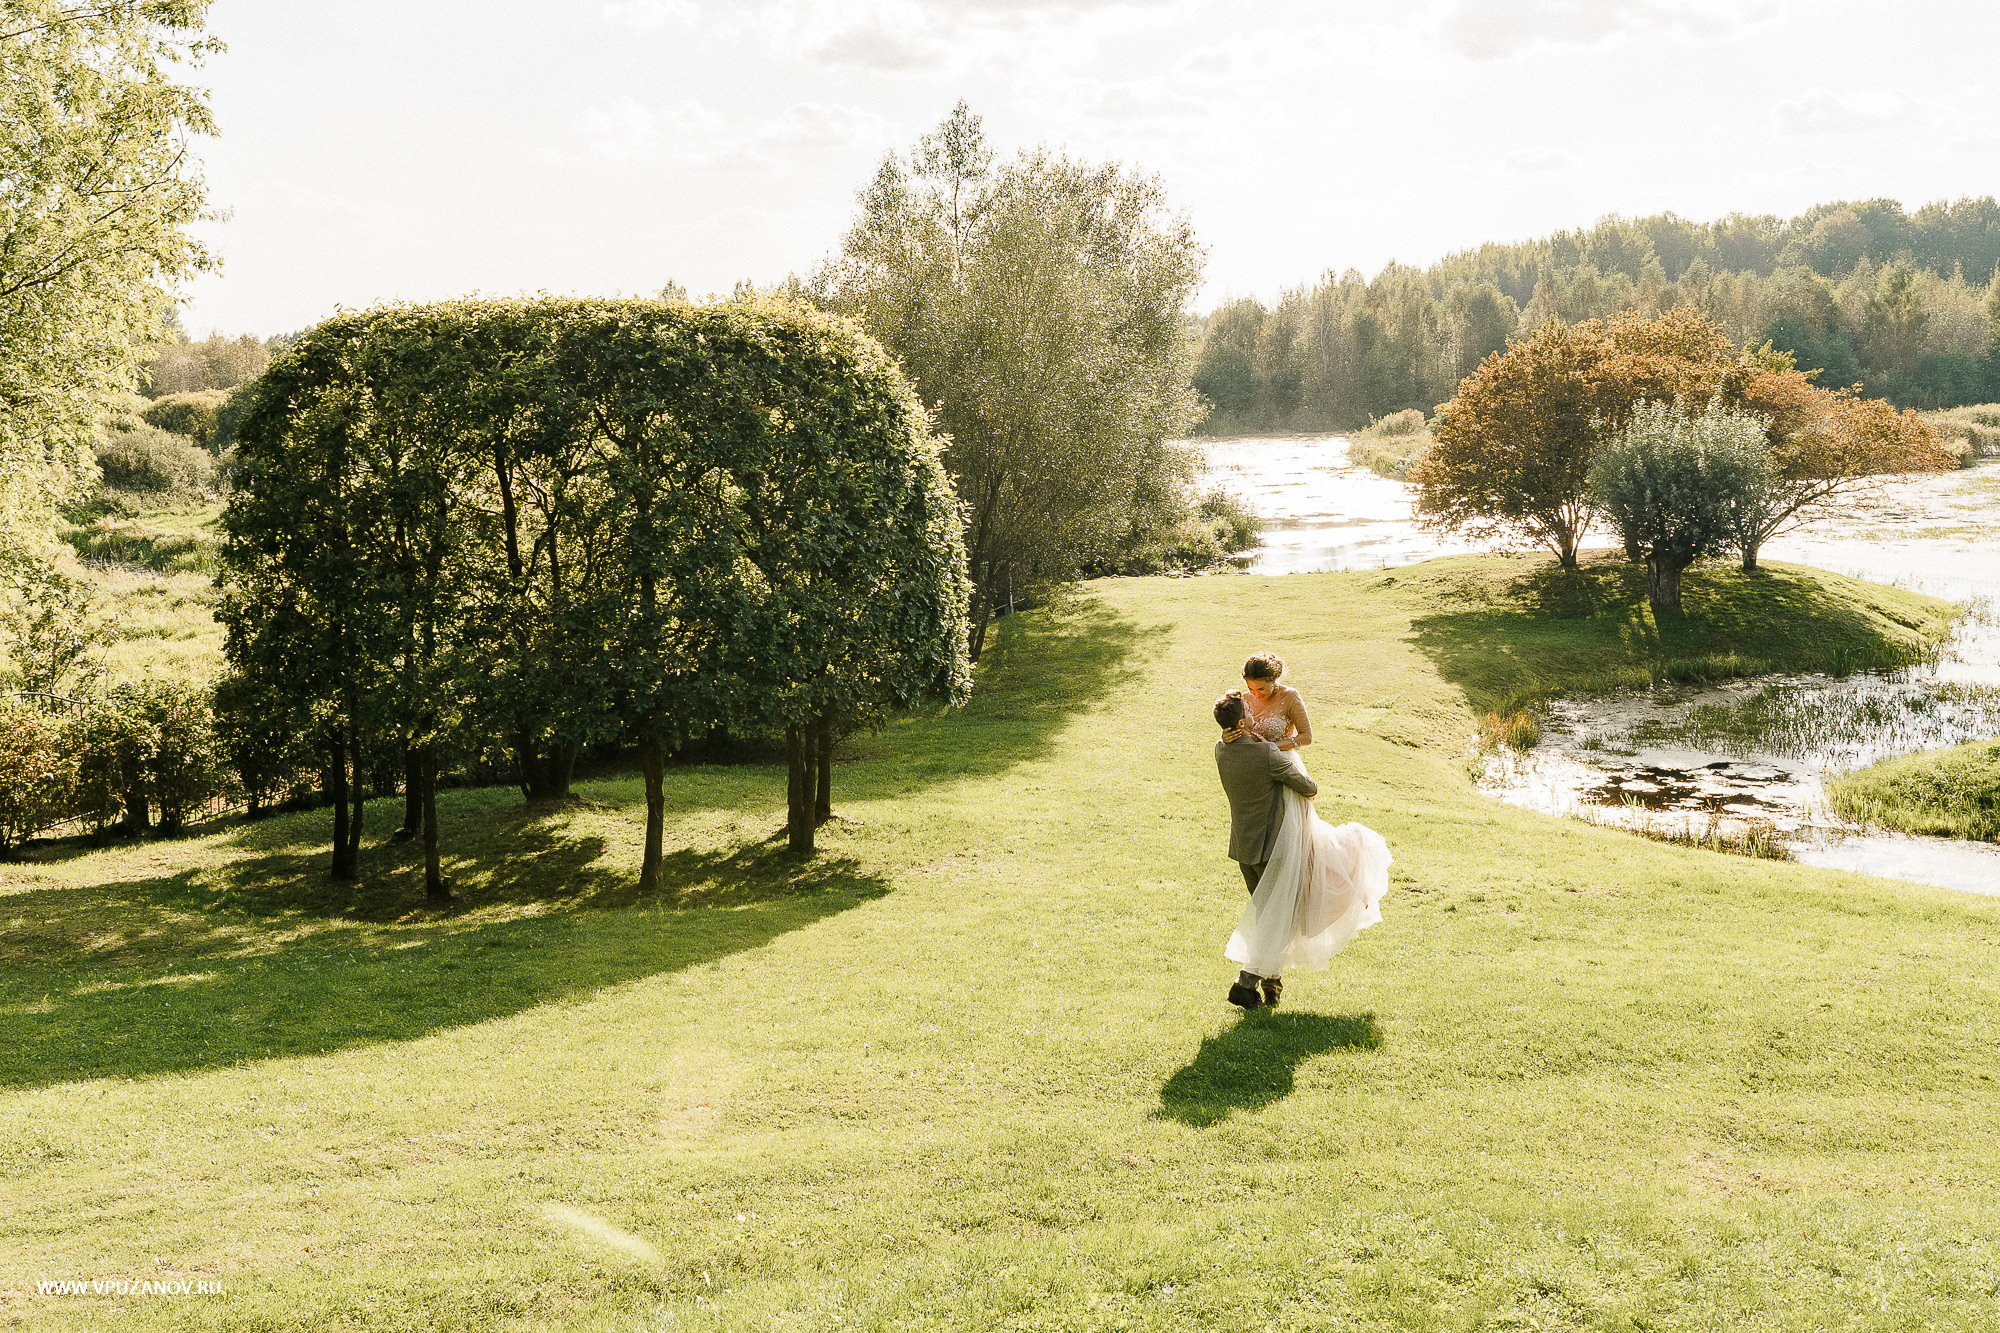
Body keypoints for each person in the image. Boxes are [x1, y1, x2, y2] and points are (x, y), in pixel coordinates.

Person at [1211, 657, 1391, 1011]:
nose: (1254, 695)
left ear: (1275, 679)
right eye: (1249, 690)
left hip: (1279, 767)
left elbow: (1306, 737)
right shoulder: (1240, 719)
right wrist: (1243, 742)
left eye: (1260, 688)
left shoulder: (1289, 699)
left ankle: (1270, 985)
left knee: (1274, 906)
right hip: (1266, 773)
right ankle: (1248, 983)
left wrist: (1269, 747)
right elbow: (1309, 787)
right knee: (1282, 904)